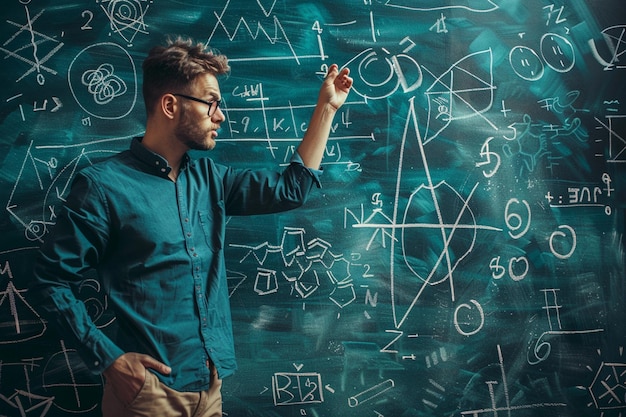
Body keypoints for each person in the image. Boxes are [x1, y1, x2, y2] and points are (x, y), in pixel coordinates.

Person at [30, 37, 352, 417]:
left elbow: (291, 189)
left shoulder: (212, 180)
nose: (220, 115)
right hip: (148, 395)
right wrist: (109, 360)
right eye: (211, 102)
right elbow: (49, 280)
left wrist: (326, 108)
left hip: (210, 388)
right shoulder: (103, 187)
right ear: (170, 105)